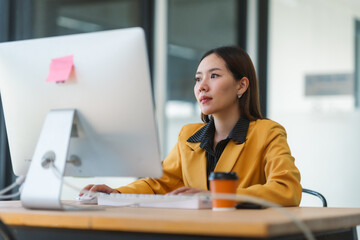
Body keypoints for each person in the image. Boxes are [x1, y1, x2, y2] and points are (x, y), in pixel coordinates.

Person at [81, 46, 302, 206]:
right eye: (198, 79)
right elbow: (158, 184)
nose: (202, 87)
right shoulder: (189, 135)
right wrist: (116, 193)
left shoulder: (268, 133)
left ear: (241, 85)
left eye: (214, 76)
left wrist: (216, 196)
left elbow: (287, 189)